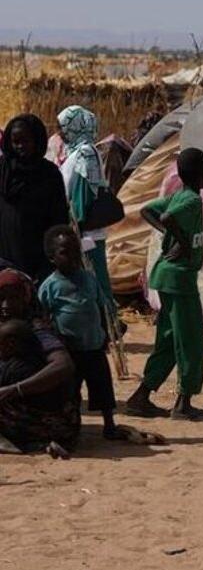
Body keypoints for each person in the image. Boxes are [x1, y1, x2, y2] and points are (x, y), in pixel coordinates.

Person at [126, 148, 203, 422]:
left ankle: (141, 395)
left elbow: (149, 210)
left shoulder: (178, 195)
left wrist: (170, 234)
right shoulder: (191, 201)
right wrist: (180, 239)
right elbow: (165, 217)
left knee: (168, 339)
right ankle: (183, 403)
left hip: (167, 277)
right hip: (179, 278)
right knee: (191, 342)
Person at [37, 225, 123, 440]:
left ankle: (109, 424)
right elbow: (44, 316)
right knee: (69, 391)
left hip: (94, 346)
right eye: (65, 252)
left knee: (103, 388)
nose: (72, 257)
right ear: (52, 258)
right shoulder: (50, 286)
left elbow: (99, 306)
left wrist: (105, 332)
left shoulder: (88, 278)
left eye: (76, 251)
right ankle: (70, 425)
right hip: (69, 350)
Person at [0, 268, 80, 455]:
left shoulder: (38, 329)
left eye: (13, 298)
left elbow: (63, 365)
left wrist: (14, 390)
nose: (5, 305)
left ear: (26, 297)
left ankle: (24, 442)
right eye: (1, 297)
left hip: (53, 420)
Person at [57, 106, 116, 314]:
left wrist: (77, 230)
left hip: (86, 232)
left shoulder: (85, 153)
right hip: (82, 230)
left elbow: (83, 194)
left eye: (63, 127)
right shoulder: (76, 152)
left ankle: (109, 323)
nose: (61, 132)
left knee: (96, 280)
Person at [0, 115, 70, 282]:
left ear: (37, 140)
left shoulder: (49, 174)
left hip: (37, 256)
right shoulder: (2, 171)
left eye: (25, 141)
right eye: (15, 141)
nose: (20, 146)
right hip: (4, 252)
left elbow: (59, 218)